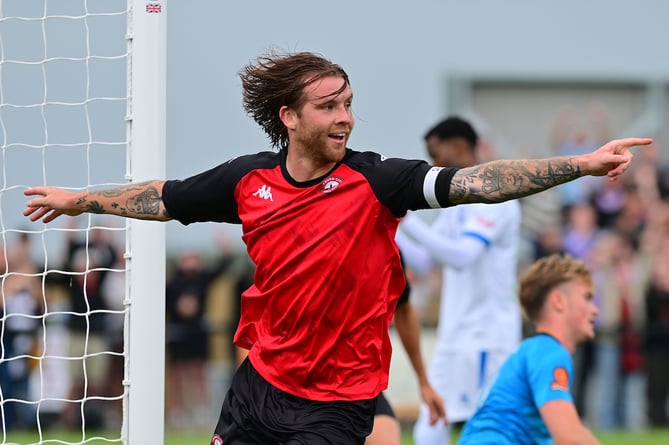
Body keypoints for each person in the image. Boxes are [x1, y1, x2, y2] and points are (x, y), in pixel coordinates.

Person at [22, 50, 651, 444]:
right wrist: (82, 200)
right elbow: (166, 196)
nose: (345, 117)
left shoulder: (378, 180)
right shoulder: (249, 181)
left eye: (349, 104)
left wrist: (579, 164)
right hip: (261, 383)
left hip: (338, 401)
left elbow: (480, 184)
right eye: (329, 107)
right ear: (289, 116)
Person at [396, 116, 522, 445]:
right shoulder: (456, 202)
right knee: (430, 422)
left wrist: (407, 220)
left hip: (486, 336)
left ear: (460, 147)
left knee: (486, 429)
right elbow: (425, 260)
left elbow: (462, 257)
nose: (434, 165)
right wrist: (389, 224)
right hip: (455, 334)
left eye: (437, 156)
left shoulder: (497, 195)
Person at [457, 253, 602, 445]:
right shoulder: (550, 352)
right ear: (558, 301)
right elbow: (570, 437)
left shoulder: (534, 350)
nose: (595, 309)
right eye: (587, 298)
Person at [366, 253, 445, 445]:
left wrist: (423, 381)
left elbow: (404, 309)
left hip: (360, 385)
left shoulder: (388, 248)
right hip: (297, 385)